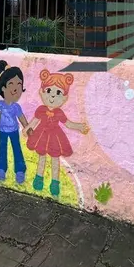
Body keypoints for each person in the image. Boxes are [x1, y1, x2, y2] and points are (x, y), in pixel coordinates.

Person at [26, 69, 89, 197]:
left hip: (55, 137)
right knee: (41, 157)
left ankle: (55, 182)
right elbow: (34, 121)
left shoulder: (59, 113)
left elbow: (68, 124)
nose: (53, 95)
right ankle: (39, 178)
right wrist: (27, 128)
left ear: (65, 96)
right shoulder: (41, 109)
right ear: (42, 91)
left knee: (55, 159)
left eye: (58, 92)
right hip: (41, 136)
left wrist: (80, 127)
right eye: (49, 90)